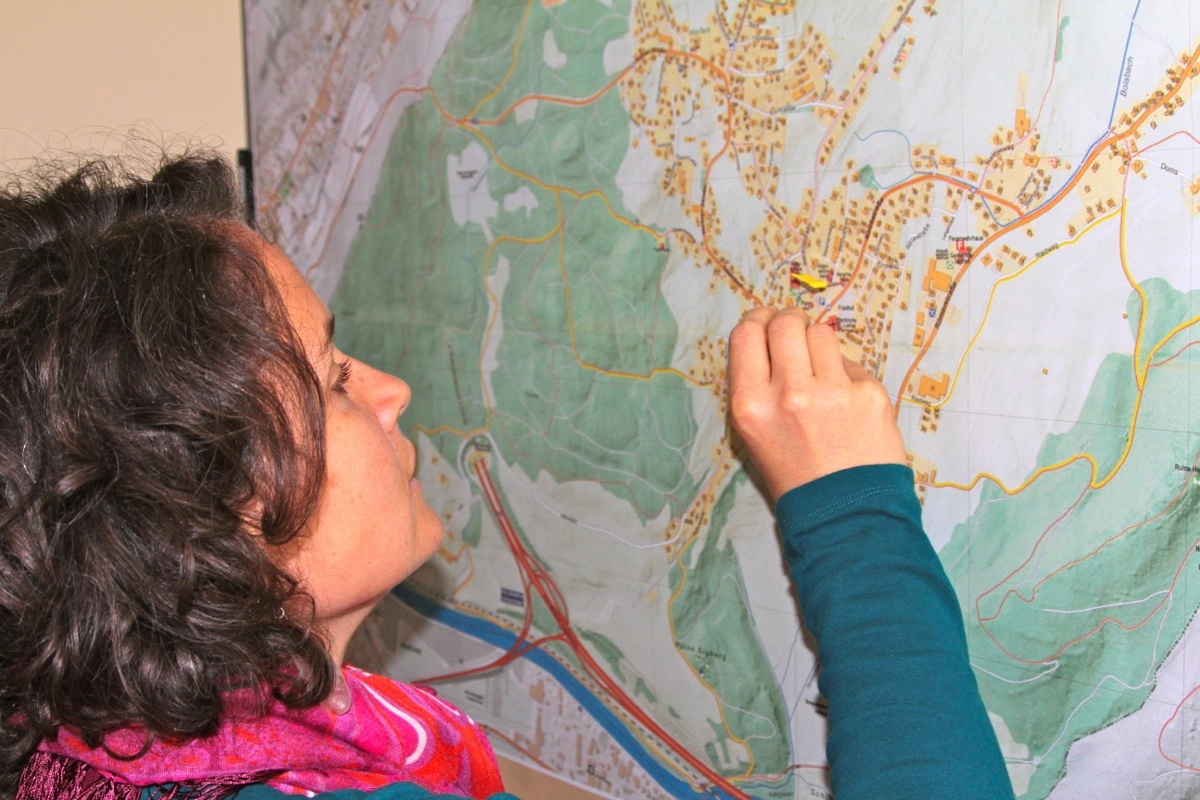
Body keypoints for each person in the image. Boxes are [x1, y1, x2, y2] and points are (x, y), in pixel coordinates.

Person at [0, 151, 1012, 800]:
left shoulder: (84, 743)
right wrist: (852, 509)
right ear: (195, 516)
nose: (390, 390)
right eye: (333, 380)